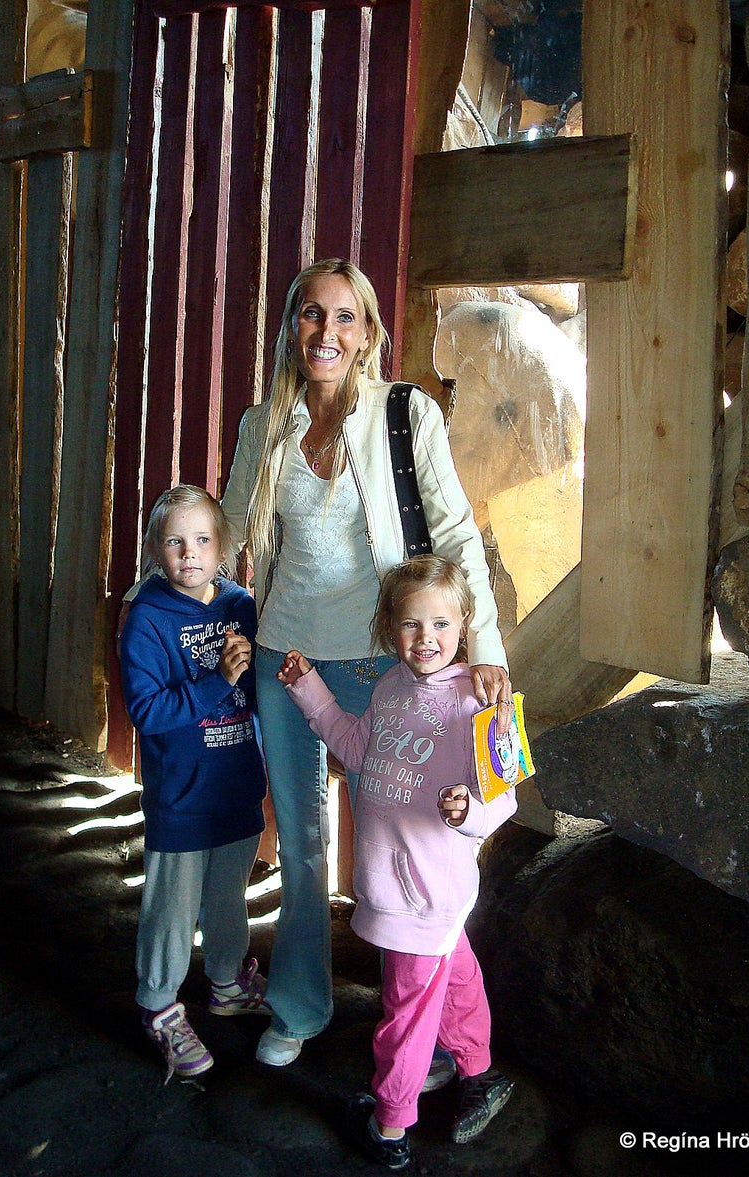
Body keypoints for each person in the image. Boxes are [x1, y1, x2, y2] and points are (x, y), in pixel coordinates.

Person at [221, 257, 512, 1069]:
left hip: (390, 668)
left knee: (410, 842)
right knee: (306, 844)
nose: (326, 331)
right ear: (290, 328)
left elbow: (453, 536)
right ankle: (299, 1005)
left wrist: (482, 651)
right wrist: (184, 607)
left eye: (344, 317)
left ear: (367, 333)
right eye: (311, 314)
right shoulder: (262, 426)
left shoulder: (403, 414)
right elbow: (229, 532)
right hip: (288, 662)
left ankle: (430, 1030)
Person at [278, 556, 517, 1169]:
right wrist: (310, 688)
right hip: (398, 884)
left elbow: (505, 794)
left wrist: (470, 814)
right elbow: (355, 748)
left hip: (427, 890)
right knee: (456, 974)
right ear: (389, 629)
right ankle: (479, 1068)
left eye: (440, 623)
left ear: (463, 625)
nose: (426, 639)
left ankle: (390, 1125)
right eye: (411, 625)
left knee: (404, 1015)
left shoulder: (484, 701)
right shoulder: (388, 688)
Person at [119, 484, 271, 1083]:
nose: (190, 553)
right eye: (176, 541)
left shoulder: (240, 605)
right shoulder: (149, 619)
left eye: (203, 539)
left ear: (223, 546)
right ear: (156, 549)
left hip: (235, 786)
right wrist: (215, 681)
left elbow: (259, 692)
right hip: (181, 796)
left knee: (229, 896)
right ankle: (158, 1006)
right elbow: (148, 712)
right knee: (172, 911)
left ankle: (229, 983)